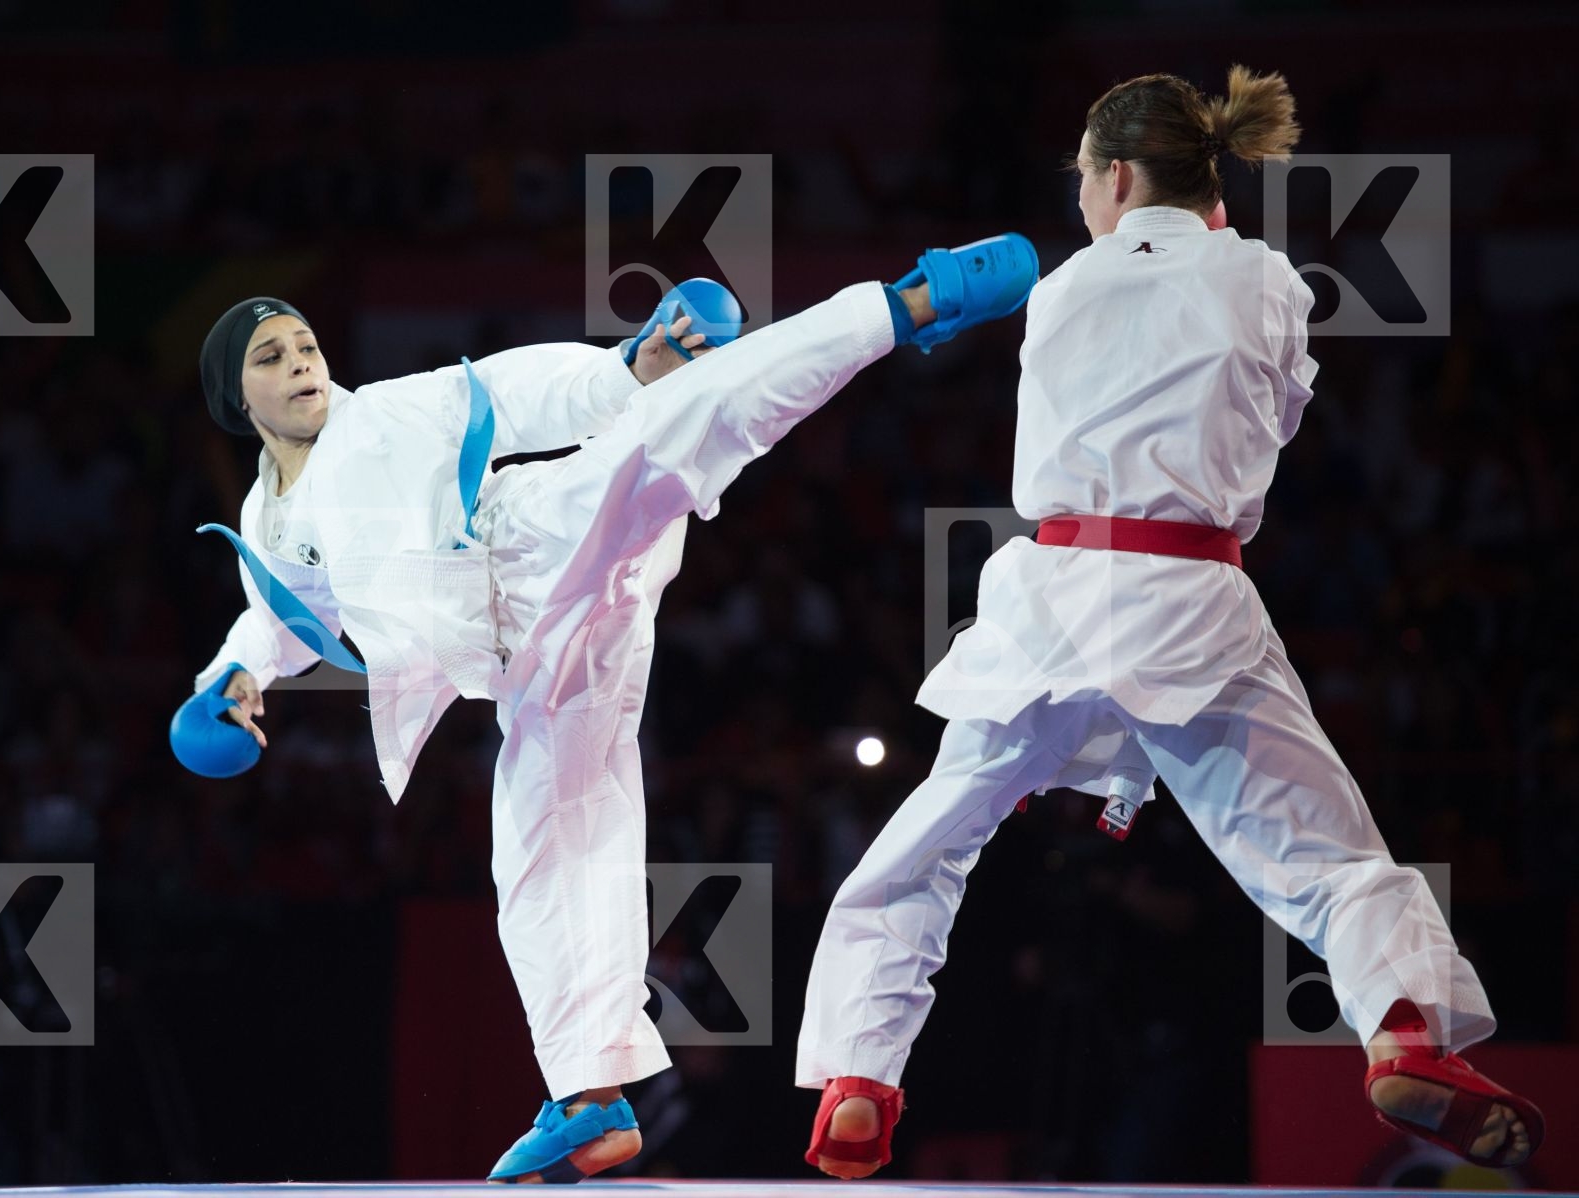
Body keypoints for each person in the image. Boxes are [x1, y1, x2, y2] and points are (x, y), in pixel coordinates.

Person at [796, 66, 1543, 1176]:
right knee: (1330, 860)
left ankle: (860, 1075)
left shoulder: (1061, 287)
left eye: (1086, 182)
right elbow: (1275, 420)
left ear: (1119, 174)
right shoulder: (1268, 280)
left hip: (1047, 602)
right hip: (1189, 599)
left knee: (927, 846)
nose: (1081, 203)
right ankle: (1405, 1031)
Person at [181, 238, 1038, 1183]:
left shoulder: (381, 413)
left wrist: (626, 369)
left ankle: (908, 303)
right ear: (236, 400)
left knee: (673, 429)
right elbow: (283, 616)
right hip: (542, 667)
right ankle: (591, 1099)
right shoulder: (267, 524)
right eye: (272, 357)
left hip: (541, 544)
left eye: (305, 344)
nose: (301, 362)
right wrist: (229, 680)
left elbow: (509, 392)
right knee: (543, 854)